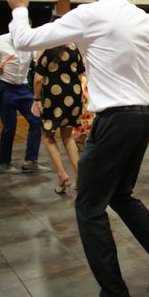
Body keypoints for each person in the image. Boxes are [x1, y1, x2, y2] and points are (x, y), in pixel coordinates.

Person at [7, 0, 149, 297]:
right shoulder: (144, 19)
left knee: (89, 207)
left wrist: (20, 9)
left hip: (113, 120)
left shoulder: (89, 13)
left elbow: (25, 39)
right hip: (141, 119)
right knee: (121, 196)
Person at [33, 23, 85, 194]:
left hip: (54, 96)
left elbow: (38, 78)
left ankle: (62, 174)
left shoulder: (47, 48)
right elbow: (80, 72)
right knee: (68, 135)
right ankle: (80, 177)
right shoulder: (74, 47)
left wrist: (36, 99)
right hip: (73, 93)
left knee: (48, 135)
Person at [0, 33, 49, 174]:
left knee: (36, 119)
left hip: (22, 86)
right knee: (10, 125)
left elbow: (37, 57)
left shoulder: (28, 43)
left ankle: (30, 161)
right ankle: (4, 163)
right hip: (4, 86)